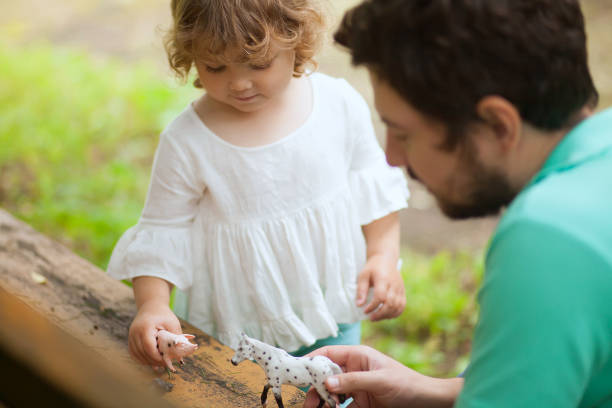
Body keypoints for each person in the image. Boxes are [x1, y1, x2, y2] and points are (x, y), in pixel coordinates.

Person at [304, 0, 612, 407]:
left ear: (499, 125)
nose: (393, 157)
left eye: (403, 133)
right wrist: (427, 391)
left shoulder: (548, 236)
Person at [107, 0, 410, 370]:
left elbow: (373, 189)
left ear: (295, 40)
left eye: (259, 63)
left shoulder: (338, 104)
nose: (238, 82)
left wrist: (382, 256)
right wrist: (153, 305)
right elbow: (162, 232)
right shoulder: (187, 141)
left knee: (333, 389)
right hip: (237, 329)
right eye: (215, 66)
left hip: (332, 312)